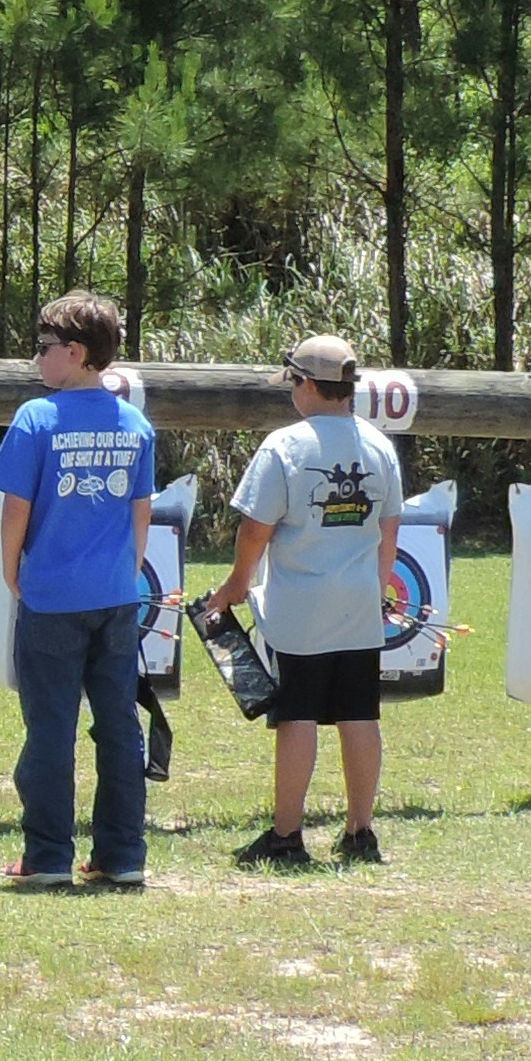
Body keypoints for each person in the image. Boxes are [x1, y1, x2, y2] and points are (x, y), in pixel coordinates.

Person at [202, 335, 413, 871]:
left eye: (293, 381)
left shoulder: (284, 447)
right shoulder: (378, 445)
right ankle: (360, 830)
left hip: (299, 609)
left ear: (308, 385)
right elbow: (389, 531)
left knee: (295, 718)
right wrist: (378, 586)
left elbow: (255, 529)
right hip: (359, 606)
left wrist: (235, 585)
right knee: (359, 715)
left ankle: (287, 835)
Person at [0, 290, 154, 894]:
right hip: (116, 599)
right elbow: (142, 512)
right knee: (119, 727)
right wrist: (125, 574)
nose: (36, 360)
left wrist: (12, 574)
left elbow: (14, 510)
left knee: (50, 729)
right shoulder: (135, 423)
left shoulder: (37, 418)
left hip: (52, 600)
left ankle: (49, 857)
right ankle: (123, 855)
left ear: (76, 353)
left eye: (45, 348)